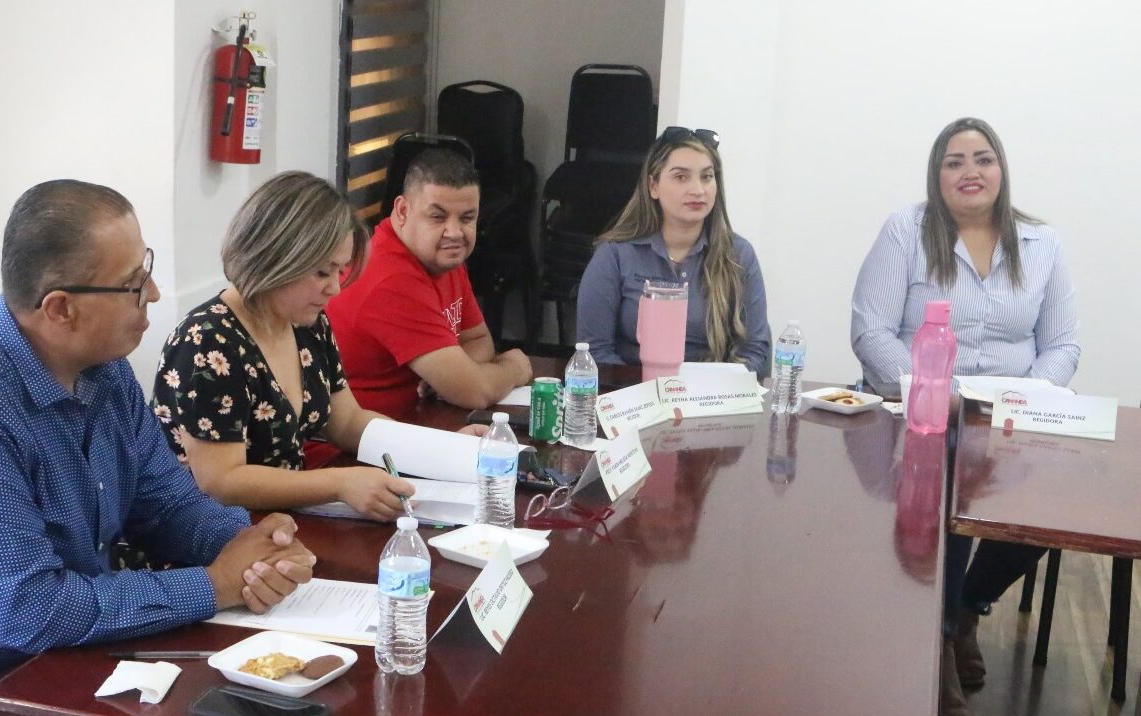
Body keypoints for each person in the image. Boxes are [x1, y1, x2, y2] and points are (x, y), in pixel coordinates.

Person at [0, 180, 315, 716]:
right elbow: (28, 609)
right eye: (133, 283)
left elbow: (169, 505)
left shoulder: (104, 370)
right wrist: (215, 585)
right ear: (60, 308)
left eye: (146, 269)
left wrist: (251, 551)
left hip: (60, 656)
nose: (153, 293)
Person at [850, 117, 1081, 716]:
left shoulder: (1041, 243)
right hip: (922, 412)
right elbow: (871, 330)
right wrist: (934, 391)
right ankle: (942, 643)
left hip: (1007, 414)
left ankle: (968, 605)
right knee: (944, 483)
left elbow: (1063, 343)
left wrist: (1026, 398)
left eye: (983, 159)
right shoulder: (906, 230)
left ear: (1001, 169)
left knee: (1057, 495)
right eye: (954, 161)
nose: (970, 172)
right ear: (937, 173)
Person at [153, 171, 481, 520]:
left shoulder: (305, 323)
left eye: (339, 271)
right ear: (276, 259)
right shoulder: (206, 342)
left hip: (279, 520)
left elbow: (348, 422)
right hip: (208, 531)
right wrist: (340, 483)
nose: (334, 289)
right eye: (322, 273)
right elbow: (221, 481)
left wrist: (442, 449)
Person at [326, 149, 533, 416]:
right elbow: (476, 391)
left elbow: (479, 339)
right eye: (437, 217)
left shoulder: (440, 257)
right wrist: (515, 366)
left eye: (467, 218)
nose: (454, 232)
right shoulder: (391, 279)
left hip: (420, 419)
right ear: (402, 211)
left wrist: (455, 374)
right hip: (370, 435)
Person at [576, 127, 772, 379]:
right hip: (631, 394)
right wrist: (647, 392)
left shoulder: (739, 255)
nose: (698, 190)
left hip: (711, 396)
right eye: (681, 177)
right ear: (653, 186)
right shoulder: (614, 255)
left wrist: (709, 391)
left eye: (707, 177)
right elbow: (595, 352)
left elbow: (754, 352)